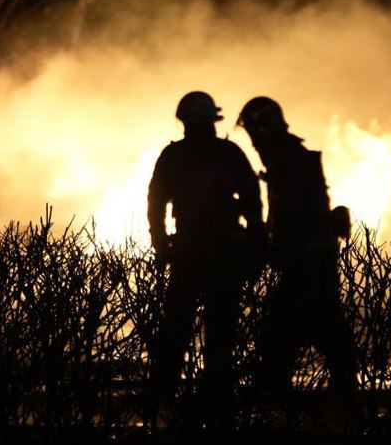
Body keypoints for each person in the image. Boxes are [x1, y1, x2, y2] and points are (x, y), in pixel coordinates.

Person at [147, 91, 264, 424]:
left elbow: (155, 204)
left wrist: (161, 245)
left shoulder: (174, 156)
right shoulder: (228, 153)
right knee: (220, 335)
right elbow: (252, 200)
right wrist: (255, 241)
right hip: (223, 255)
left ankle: (163, 404)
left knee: (176, 331)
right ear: (213, 120)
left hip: (189, 254)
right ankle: (217, 405)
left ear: (184, 121)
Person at [236, 96, 356, 398]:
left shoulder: (286, 159)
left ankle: (276, 388)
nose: (252, 141)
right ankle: (339, 383)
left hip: (307, 254)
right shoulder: (286, 156)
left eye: (252, 131)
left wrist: (272, 245)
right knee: (315, 318)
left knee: (288, 321)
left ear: (262, 129)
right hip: (311, 252)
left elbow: (292, 212)